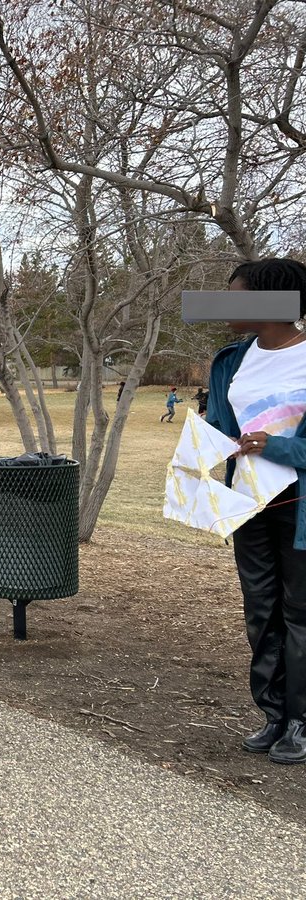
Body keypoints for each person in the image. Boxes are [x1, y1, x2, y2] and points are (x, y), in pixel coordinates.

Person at [206, 257, 306, 765]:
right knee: (261, 612)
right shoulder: (231, 359)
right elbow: (221, 426)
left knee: (301, 614)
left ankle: (301, 721)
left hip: (299, 505)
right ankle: (273, 714)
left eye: (235, 295)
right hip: (249, 502)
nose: (224, 306)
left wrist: (276, 447)